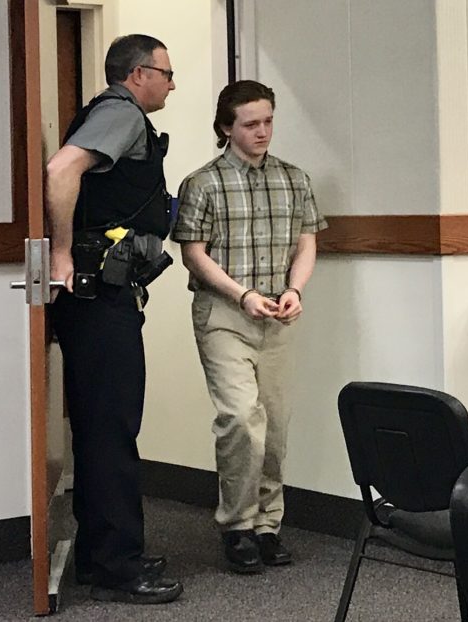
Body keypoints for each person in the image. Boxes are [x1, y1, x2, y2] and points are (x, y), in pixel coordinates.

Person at [44, 34, 182, 604]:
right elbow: (61, 170)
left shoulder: (120, 117)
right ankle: (116, 568)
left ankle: (107, 551)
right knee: (111, 430)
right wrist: (59, 254)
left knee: (105, 426)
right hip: (98, 299)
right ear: (138, 74)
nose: (173, 83)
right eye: (167, 73)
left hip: (104, 297)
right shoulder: (120, 115)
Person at [172, 80, 328, 574]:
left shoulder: (294, 179)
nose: (262, 131)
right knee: (241, 418)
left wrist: (294, 290)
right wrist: (242, 294)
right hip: (225, 314)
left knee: (275, 426)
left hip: (278, 315)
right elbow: (193, 253)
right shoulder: (203, 183)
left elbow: (306, 242)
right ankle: (237, 526)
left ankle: (268, 526)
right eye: (250, 124)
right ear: (226, 128)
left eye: (268, 121)